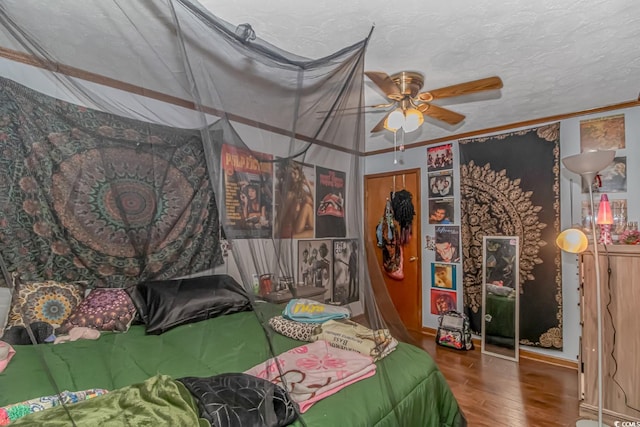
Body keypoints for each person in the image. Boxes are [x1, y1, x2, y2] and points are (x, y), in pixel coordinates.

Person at [276, 162, 314, 237]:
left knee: (308, 206)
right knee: (307, 207)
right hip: (289, 231)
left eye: (296, 173)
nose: (296, 176)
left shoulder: (301, 192)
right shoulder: (290, 195)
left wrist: (307, 183)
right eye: (293, 173)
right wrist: (276, 233)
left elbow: (315, 202)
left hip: (296, 228)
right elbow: (281, 216)